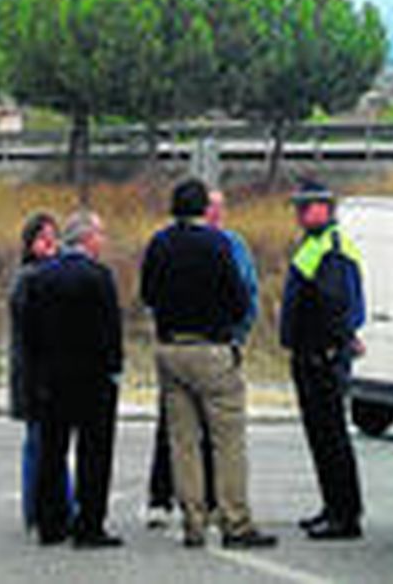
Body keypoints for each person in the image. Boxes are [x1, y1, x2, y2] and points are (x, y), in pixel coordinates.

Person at [141, 178, 276, 551]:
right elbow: (238, 299)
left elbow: (148, 294)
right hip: (212, 348)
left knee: (183, 442)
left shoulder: (159, 244)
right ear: (204, 208)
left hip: (171, 349)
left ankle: (193, 521)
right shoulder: (218, 245)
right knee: (227, 440)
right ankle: (235, 520)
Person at [25, 210, 124, 549]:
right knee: (94, 454)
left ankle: (50, 523)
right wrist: (114, 369)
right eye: (100, 234)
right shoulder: (99, 277)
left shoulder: (41, 277)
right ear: (86, 238)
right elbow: (111, 330)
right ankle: (89, 524)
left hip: (53, 378)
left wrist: (36, 376)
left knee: (52, 452)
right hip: (93, 379)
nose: (103, 241)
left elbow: (30, 333)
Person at [279, 177, 365, 540]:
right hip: (314, 353)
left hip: (321, 357)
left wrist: (329, 348)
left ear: (324, 208)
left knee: (330, 438)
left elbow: (332, 306)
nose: (299, 214)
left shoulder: (330, 247)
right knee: (322, 437)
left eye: (305, 206)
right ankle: (333, 506)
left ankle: (344, 515)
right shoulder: (315, 244)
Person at [7, 211, 70, 535]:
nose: (50, 244)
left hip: (43, 374)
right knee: (41, 445)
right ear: (30, 244)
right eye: (43, 238)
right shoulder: (30, 279)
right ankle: (42, 508)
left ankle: (46, 507)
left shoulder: (50, 274)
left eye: (53, 238)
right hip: (35, 376)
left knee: (44, 444)